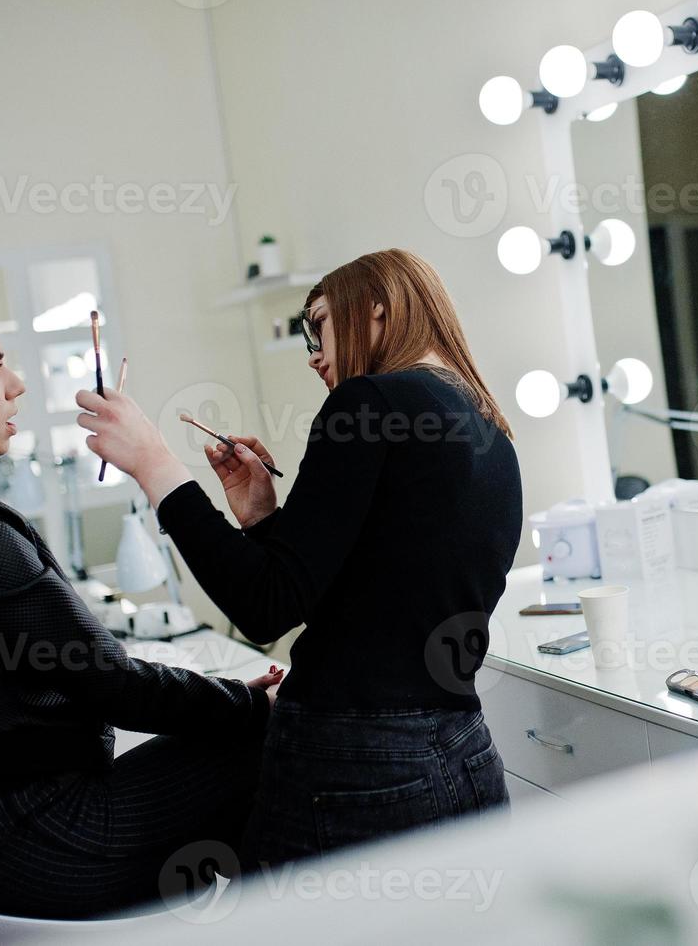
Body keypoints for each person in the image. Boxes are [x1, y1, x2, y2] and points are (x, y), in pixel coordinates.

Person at [0, 291, 281, 919]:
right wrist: (251, 702)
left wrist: (233, 701)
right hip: (31, 841)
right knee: (288, 738)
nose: (16, 385)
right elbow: (114, 684)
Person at [78, 249, 523, 868]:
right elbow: (355, 589)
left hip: (357, 764)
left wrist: (156, 466)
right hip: (463, 751)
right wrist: (262, 517)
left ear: (378, 308)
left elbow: (263, 609)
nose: (314, 353)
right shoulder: (488, 427)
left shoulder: (366, 403)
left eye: (320, 324)